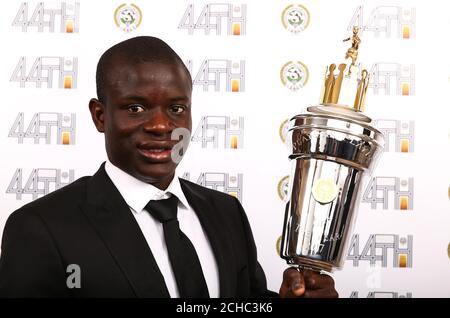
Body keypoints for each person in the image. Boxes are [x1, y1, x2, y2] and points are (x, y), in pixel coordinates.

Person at [0, 36, 338, 298]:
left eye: (176, 109)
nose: (162, 126)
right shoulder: (40, 227)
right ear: (100, 116)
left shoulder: (226, 212)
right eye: (135, 108)